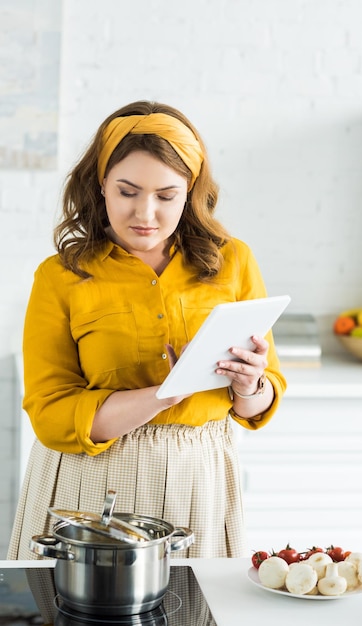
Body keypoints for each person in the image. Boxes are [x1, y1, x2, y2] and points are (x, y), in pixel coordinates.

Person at [8, 100, 287, 560]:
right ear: (101, 186)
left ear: (190, 192)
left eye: (166, 195)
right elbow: (50, 413)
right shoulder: (60, 275)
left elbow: (261, 400)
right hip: (90, 483)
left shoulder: (233, 260)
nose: (146, 213)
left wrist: (251, 382)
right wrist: (166, 394)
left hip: (198, 479)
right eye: (127, 191)